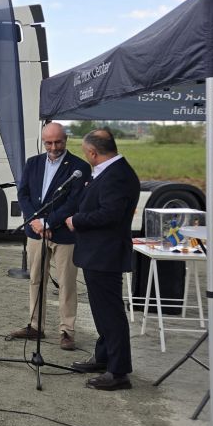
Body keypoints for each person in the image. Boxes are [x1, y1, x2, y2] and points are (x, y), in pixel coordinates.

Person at [65, 129, 141, 391]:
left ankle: (118, 371)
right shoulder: (109, 171)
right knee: (101, 310)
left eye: (86, 152)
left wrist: (77, 220)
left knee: (110, 313)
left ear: (92, 152)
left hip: (106, 253)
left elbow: (110, 214)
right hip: (97, 252)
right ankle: (104, 357)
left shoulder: (118, 175)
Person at [9, 122, 89, 350]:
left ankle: (67, 331)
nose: (53, 147)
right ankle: (36, 326)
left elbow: (74, 201)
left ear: (66, 140)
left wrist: (48, 222)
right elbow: (23, 194)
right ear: (43, 141)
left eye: (58, 142)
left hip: (64, 234)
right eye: (49, 143)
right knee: (36, 279)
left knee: (67, 283)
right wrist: (36, 222)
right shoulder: (33, 163)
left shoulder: (79, 167)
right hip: (36, 232)